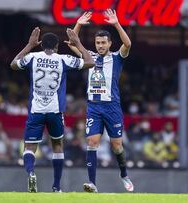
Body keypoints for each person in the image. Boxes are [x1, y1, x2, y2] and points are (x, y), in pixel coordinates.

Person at [10, 27, 95, 192]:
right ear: (56, 46)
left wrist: (29, 45)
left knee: (29, 147)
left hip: (36, 110)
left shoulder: (32, 57)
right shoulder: (63, 59)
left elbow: (13, 64)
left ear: (42, 45)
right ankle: (56, 186)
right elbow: (91, 62)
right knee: (57, 145)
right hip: (55, 111)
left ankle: (31, 173)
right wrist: (78, 43)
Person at [68, 9, 134, 192]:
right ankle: (92, 183)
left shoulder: (116, 58)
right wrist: (79, 23)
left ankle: (124, 174)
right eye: (98, 43)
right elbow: (73, 44)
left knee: (117, 145)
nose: (100, 46)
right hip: (94, 107)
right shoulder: (90, 56)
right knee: (92, 142)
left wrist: (116, 24)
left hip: (112, 107)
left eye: (103, 43)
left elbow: (127, 43)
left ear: (110, 43)